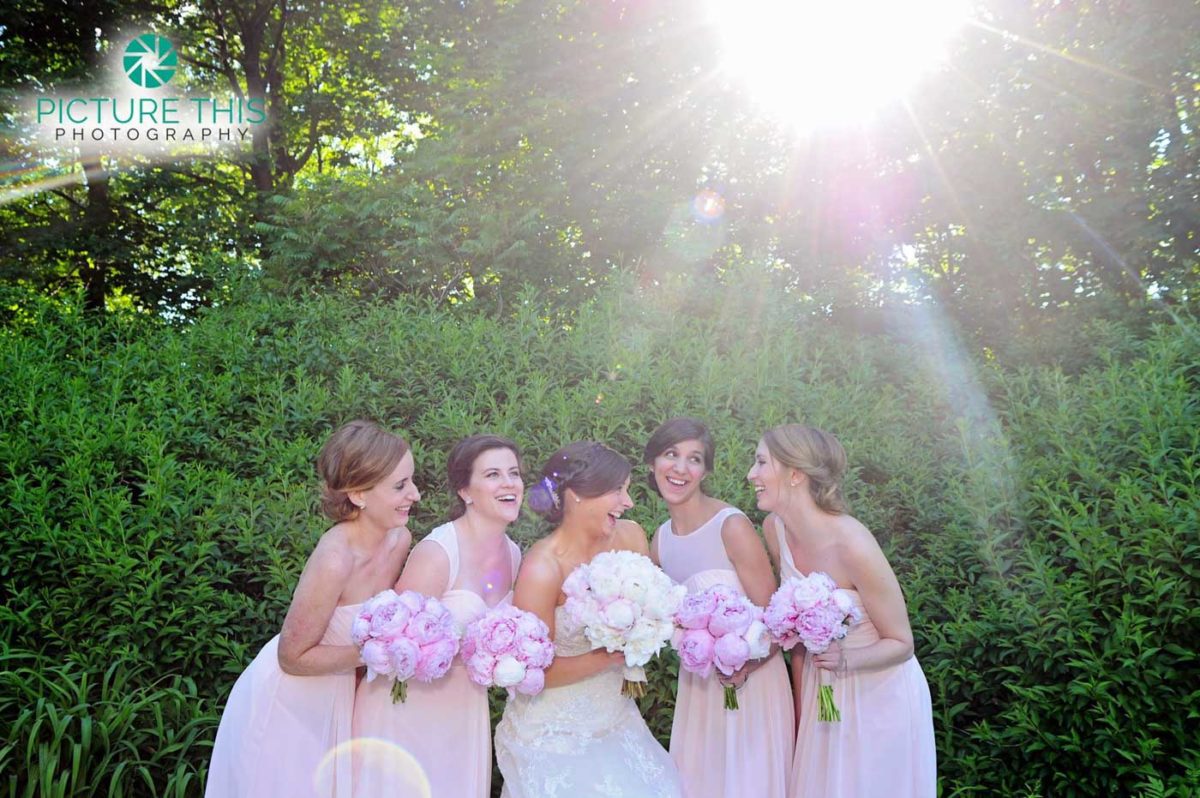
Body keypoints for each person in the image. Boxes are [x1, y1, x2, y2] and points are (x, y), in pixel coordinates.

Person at [206, 420, 418, 798]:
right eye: (400, 486)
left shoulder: (399, 539)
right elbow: (292, 656)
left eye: (412, 481)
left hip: (340, 697)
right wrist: (377, 652)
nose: (414, 495)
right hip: (288, 703)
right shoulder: (335, 559)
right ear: (358, 494)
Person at [748, 424, 936, 797]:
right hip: (823, 692)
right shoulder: (775, 529)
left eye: (761, 462)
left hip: (880, 697)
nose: (751, 474)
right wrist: (800, 716)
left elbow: (902, 642)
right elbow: (797, 638)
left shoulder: (853, 544)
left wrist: (845, 660)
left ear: (795, 474)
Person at [494, 441, 684, 798]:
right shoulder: (543, 567)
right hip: (556, 734)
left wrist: (651, 627)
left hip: (617, 718)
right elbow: (533, 673)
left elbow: (655, 605)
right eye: (617, 490)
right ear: (578, 494)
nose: (628, 502)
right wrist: (615, 652)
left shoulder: (630, 535)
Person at [352, 434, 523, 798]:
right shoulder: (438, 553)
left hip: (464, 711)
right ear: (465, 491)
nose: (509, 483)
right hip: (406, 710)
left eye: (514, 473)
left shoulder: (513, 554)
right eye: (493, 474)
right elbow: (392, 645)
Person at [645, 417, 794, 797]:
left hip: (751, 683)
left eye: (694, 459)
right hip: (699, 689)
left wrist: (743, 665)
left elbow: (776, 620)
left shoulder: (731, 526)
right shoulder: (660, 541)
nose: (680, 468)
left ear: (705, 471)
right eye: (670, 454)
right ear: (652, 462)